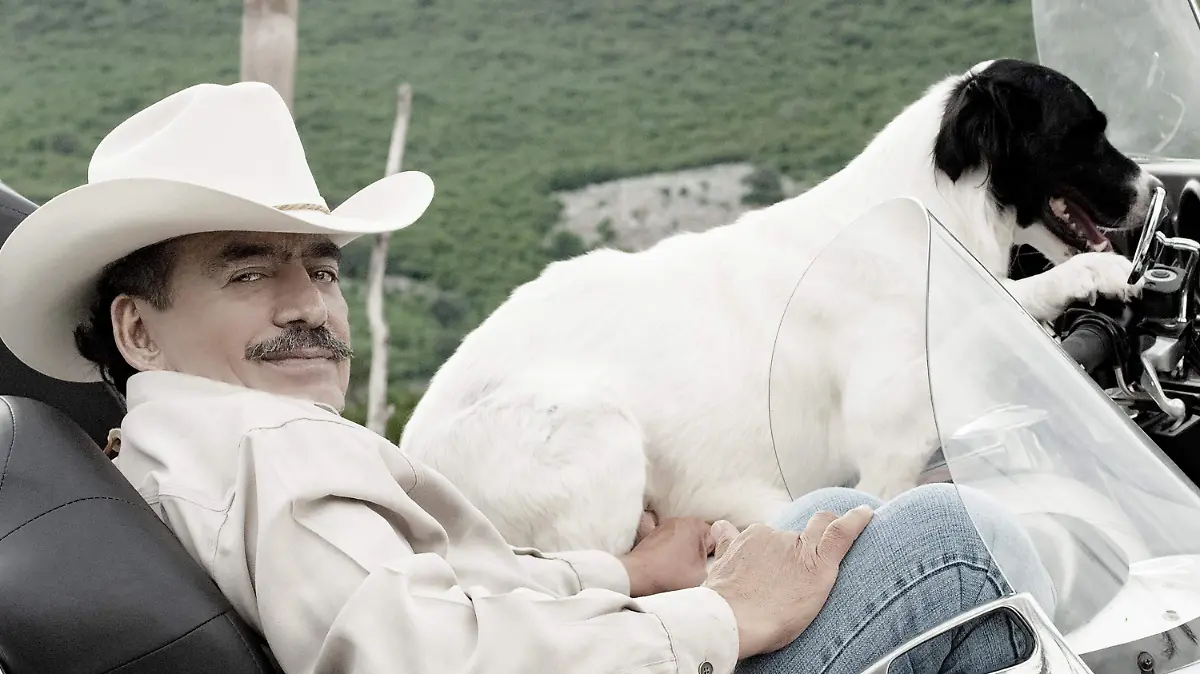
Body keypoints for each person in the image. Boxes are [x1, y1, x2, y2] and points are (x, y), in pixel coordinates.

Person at [0, 81, 1055, 674]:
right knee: (949, 537)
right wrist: (723, 618)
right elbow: (425, 656)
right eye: (248, 272)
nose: (307, 304)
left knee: (819, 518)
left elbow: (421, 592)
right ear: (138, 329)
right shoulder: (272, 448)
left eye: (319, 268)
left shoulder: (170, 446)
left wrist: (624, 575)